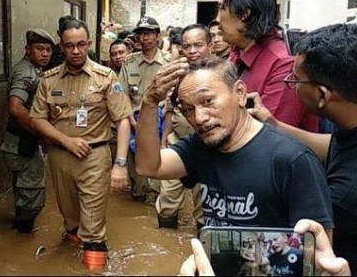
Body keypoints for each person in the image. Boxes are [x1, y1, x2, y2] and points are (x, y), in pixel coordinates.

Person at [135, 56, 334, 230]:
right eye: (188, 109)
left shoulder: (293, 160)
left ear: (239, 93)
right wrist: (150, 102)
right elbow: (148, 167)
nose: (199, 118)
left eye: (207, 101)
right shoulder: (201, 146)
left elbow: (316, 252)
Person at [247, 23, 357, 274]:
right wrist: (273, 124)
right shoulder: (352, 126)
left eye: (296, 79)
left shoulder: (345, 194)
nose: (293, 85)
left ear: (322, 94)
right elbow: (331, 145)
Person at [29, 19, 132, 272]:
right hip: (59, 156)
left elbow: (123, 121)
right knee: (70, 218)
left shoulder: (106, 77)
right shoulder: (49, 80)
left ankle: (94, 261)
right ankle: (71, 249)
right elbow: (36, 119)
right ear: (60, 47)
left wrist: (120, 164)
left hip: (95, 156)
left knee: (94, 226)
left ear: (89, 43)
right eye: (69, 46)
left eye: (81, 45)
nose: (76, 51)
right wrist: (65, 141)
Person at [218, 0, 317, 131]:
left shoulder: (283, 62)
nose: (217, 18)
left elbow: (268, 137)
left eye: (221, 8)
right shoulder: (238, 52)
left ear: (244, 13)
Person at [0, 29, 54, 233]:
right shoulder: (25, 72)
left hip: (22, 143)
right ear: (27, 49)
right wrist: (41, 131)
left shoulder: (34, 69)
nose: (45, 54)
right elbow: (15, 107)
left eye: (48, 49)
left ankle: (19, 231)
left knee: (25, 191)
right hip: (22, 143)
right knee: (32, 195)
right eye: (40, 49)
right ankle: (22, 235)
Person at [158, 24, 211, 230]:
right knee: (168, 200)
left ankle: (202, 248)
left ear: (209, 45)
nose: (192, 51)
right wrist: (163, 144)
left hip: (209, 150)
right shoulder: (177, 74)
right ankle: (165, 242)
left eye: (198, 45)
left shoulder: (221, 75)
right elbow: (169, 111)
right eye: (187, 46)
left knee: (204, 206)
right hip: (177, 145)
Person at [118, 16, 171, 204]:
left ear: (158, 35)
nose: (144, 38)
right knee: (137, 182)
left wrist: (162, 116)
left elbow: (174, 94)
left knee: (159, 162)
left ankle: (155, 194)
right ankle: (140, 192)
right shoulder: (129, 62)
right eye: (140, 34)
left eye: (148, 33)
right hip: (134, 119)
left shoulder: (169, 62)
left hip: (161, 119)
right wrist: (131, 119)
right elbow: (121, 93)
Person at [179, 219, 351, 276]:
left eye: (253, 246)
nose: (248, 251)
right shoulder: (234, 266)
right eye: (245, 246)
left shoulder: (295, 257)